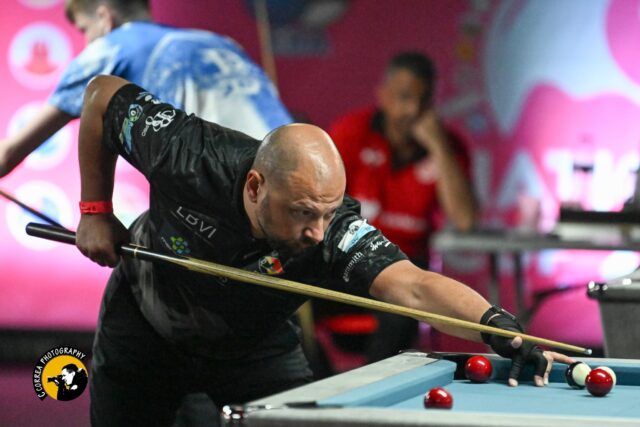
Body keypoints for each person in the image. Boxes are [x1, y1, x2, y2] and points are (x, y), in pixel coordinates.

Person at [73, 74, 573, 426]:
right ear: (255, 187)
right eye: (302, 212)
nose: (316, 231)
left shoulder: (333, 231)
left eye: (327, 212)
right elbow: (101, 96)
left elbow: (415, 287)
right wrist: (95, 210)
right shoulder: (191, 153)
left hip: (254, 344)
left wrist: (499, 328)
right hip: (146, 324)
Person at [0, 0, 291, 177]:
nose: (87, 41)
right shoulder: (218, 42)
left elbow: (9, 152)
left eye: (85, 29)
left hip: (234, 187)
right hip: (295, 169)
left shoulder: (107, 49)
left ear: (105, 17)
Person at [327, 51, 478, 363]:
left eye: (424, 101)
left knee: (402, 311)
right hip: (347, 260)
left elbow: (465, 220)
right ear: (382, 95)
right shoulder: (350, 132)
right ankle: (319, 384)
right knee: (286, 301)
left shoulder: (449, 147)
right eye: (405, 97)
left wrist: (439, 148)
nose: (413, 110)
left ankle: (370, 389)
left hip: (406, 268)